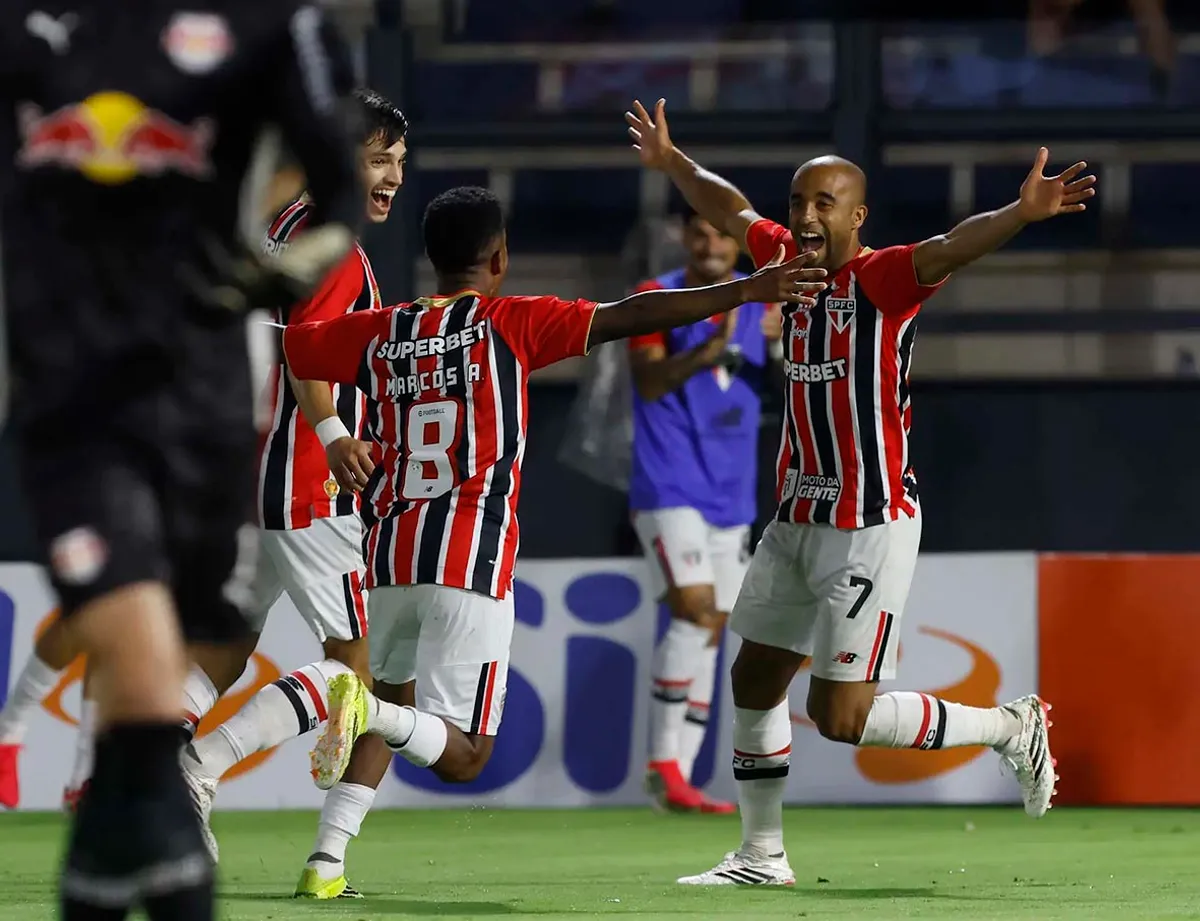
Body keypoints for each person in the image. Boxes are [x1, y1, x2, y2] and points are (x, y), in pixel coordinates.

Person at [277, 185, 828, 900]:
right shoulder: (515, 322)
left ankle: (325, 860)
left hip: (388, 556)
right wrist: (748, 290)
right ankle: (362, 711)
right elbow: (635, 315)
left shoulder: (380, 329)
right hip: (468, 557)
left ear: (428, 258)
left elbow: (293, 344)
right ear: (500, 258)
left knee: (394, 704)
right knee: (462, 752)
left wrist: (333, 430)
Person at [626, 98, 1096, 885]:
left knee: (842, 717)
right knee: (753, 677)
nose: (805, 215)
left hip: (867, 521)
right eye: (799, 202)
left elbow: (951, 246)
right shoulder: (785, 263)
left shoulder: (881, 277)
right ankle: (760, 855)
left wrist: (1018, 212)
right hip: (796, 516)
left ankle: (1010, 725)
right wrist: (674, 162)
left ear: (857, 216)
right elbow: (730, 206)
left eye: (824, 203)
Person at [0, 3, 362, 919]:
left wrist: (271, 279)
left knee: (153, 699)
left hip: (201, 405)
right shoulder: (24, 30)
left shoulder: (276, 28)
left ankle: (103, 856)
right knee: (137, 652)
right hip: (70, 401)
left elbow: (341, 194)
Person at [178, 88, 407, 866]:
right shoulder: (335, 243)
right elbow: (310, 353)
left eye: (400, 162)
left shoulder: (275, 230)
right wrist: (339, 433)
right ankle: (199, 765)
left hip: (248, 477)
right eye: (380, 159)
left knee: (231, 643)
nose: (394, 176)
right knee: (359, 669)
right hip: (309, 482)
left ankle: (157, 757)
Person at [630, 211, 783, 815]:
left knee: (715, 626)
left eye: (723, 233)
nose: (711, 243)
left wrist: (773, 340)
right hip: (668, 484)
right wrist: (709, 350)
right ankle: (665, 766)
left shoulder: (763, 304)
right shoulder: (656, 297)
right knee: (694, 611)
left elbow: (782, 379)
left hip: (732, 490)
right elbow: (646, 383)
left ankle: (682, 781)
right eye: (700, 232)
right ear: (684, 237)